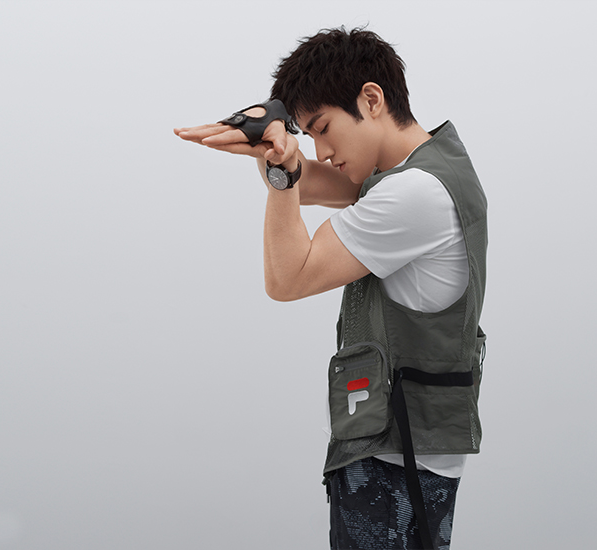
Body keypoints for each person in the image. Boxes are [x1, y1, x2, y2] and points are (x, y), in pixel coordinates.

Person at [174, 27, 488, 550]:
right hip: (408, 451)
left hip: (392, 462)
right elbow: (318, 181)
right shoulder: (435, 167)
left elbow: (287, 277)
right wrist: (274, 149)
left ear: (371, 99)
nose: (320, 148)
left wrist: (281, 169)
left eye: (322, 128)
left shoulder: (414, 193)